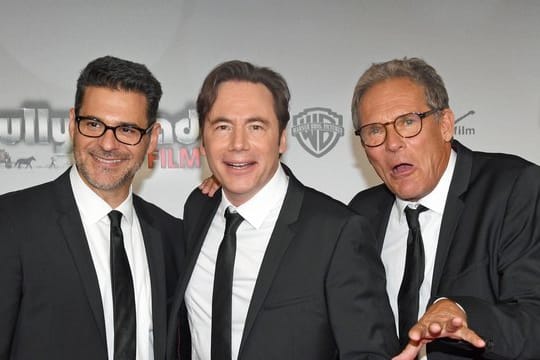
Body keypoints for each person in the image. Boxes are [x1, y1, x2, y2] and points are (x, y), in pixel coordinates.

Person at [166, 60, 399, 360]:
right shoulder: (198, 208)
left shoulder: (337, 233)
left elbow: (369, 354)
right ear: (203, 140)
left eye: (256, 127)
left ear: (282, 138)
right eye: (223, 127)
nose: (238, 144)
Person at [348, 57, 540, 359]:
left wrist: (463, 311)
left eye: (408, 122)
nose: (392, 144)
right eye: (374, 131)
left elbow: (534, 317)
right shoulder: (361, 213)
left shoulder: (514, 188)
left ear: (446, 125)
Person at [0, 56, 183, 360]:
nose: (108, 144)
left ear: (152, 140)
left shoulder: (172, 235)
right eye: (94, 124)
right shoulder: (11, 223)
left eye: (127, 129)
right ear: (73, 124)